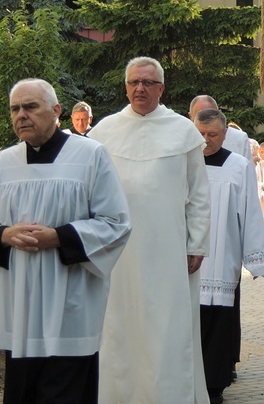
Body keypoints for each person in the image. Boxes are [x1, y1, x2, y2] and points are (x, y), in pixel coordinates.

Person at [0, 78, 131, 404]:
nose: (21, 115)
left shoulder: (90, 155)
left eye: (30, 107)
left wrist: (59, 237)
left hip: (72, 301)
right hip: (21, 306)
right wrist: (4, 235)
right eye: (15, 109)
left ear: (56, 111)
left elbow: (116, 223)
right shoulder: (3, 164)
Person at [89, 57, 211, 403]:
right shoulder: (103, 132)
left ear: (161, 88)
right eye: (133, 82)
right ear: (125, 87)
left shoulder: (183, 130)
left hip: (169, 249)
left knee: (166, 327)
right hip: (117, 252)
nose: (139, 88)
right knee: (118, 328)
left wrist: (197, 242)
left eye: (147, 82)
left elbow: (199, 194)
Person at [193, 108, 264, 404]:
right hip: (185, 261)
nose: (206, 140)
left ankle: (215, 386)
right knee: (191, 322)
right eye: (200, 134)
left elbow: (251, 212)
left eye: (212, 135)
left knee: (219, 323)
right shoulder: (182, 164)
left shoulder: (238, 166)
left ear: (225, 134)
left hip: (222, 258)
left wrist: (255, 258)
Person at [189, 95, 253, 163]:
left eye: (212, 134)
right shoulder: (184, 140)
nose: (206, 140)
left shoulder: (239, 139)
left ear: (219, 113)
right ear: (191, 116)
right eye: (200, 116)